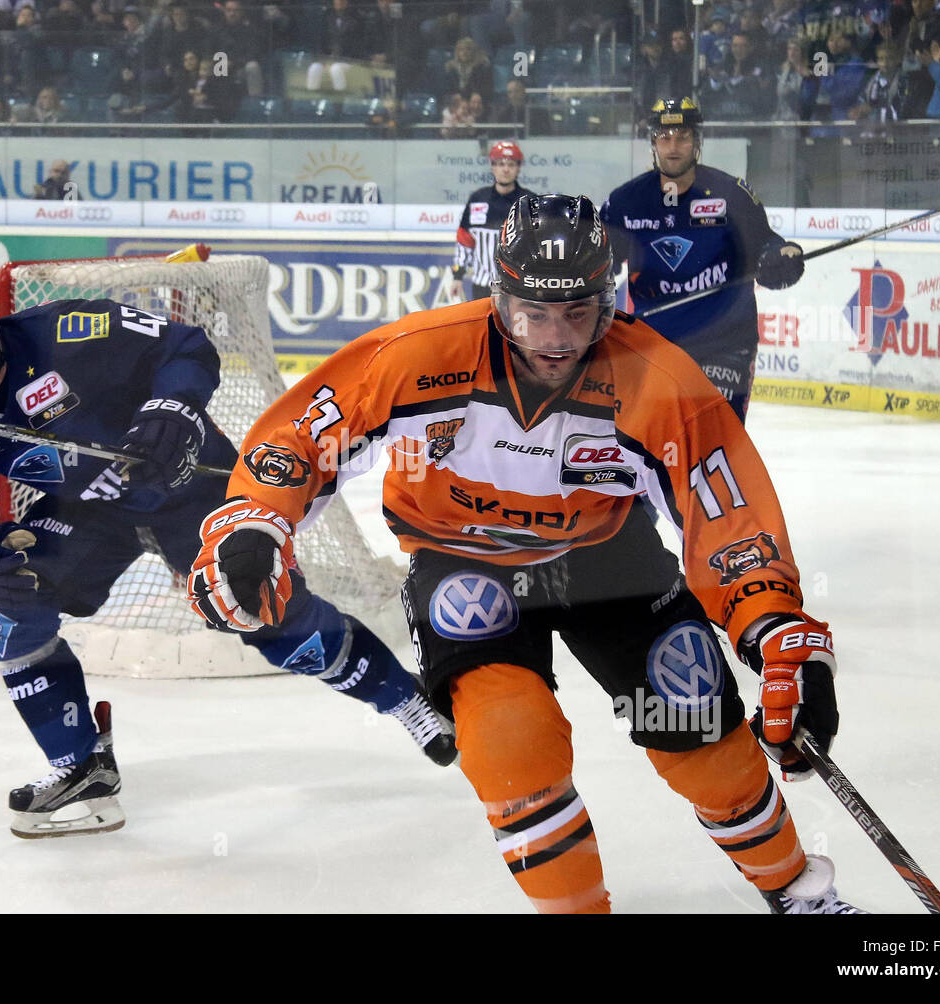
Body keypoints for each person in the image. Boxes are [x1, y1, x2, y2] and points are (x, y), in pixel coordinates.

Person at [190, 193, 862, 915]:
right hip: (464, 567)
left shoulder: (658, 381)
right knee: (510, 748)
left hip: (611, 564)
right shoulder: (417, 356)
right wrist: (256, 524)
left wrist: (772, 627)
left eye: (578, 312)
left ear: (607, 302)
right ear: (497, 295)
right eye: (531, 312)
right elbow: (300, 437)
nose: (554, 337)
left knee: (697, 732)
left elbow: (725, 515)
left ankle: (797, 893)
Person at [0, 262, 458, 839]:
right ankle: (80, 768)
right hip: (88, 515)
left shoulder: (70, 330)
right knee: (5, 606)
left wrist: (174, 410)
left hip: (187, 488)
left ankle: (406, 701)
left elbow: (186, 345)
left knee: (265, 610)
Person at [599, 98, 804, 423]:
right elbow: (600, 266)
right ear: (653, 142)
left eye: (682, 137)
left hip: (725, 344)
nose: (674, 146)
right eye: (664, 137)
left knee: (715, 441)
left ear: (697, 141)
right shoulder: (625, 203)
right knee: (651, 449)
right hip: (654, 345)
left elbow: (766, 247)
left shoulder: (733, 194)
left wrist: (781, 257)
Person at [448, 140, 535, 302]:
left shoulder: (528, 202)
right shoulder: (477, 199)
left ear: (518, 168)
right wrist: (457, 276)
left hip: (518, 287)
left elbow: (537, 243)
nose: (506, 169)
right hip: (482, 285)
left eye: (511, 164)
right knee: (483, 327)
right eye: (501, 164)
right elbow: (464, 241)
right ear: (492, 166)